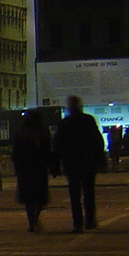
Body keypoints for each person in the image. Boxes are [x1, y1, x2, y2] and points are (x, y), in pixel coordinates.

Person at [54, 95, 107, 232]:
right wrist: (100, 160)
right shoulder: (88, 120)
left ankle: (77, 223)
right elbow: (98, 141)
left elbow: (58, 145)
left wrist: (56, 164)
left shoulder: (64, 123)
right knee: (89, 193)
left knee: (74, 195)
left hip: (71, 163)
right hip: (88, 162)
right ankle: (90, 221)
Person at [11, 108, 55, 233]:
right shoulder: (43, 133)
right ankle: (35, 218)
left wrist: (17, 166)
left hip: (25, 169)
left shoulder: (21, 133)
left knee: (28, 198)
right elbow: (47, 151)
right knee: (39, 197)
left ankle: (32, 221)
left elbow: (16, 153)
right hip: (39, 168)